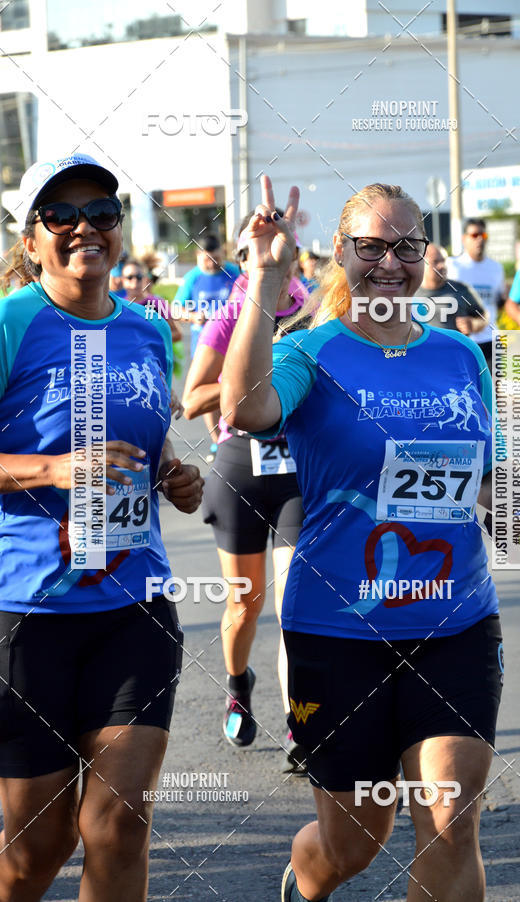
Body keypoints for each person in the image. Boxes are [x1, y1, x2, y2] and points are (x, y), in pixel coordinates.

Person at [220, 176, 520, 902]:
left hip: (456, 621)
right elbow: (244, 409)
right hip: (337, 632)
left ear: (426, 254)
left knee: (450, 814)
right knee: (353, 839)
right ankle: (306, 878)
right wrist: (267, 277)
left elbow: (494, 480)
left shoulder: (467, 355)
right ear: (341, 253)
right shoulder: (309, 351)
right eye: (371, 246)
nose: (390, 262)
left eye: (407, 245)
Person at [0, 153, 203, 901]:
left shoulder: (148, 332)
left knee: (118, 824)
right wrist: (54, 470)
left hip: (133, 607)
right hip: (28, 613)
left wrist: (174, 477)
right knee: (37, 847)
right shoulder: (11, 323)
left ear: (121, 231)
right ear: (33, 240)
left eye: (102, 213)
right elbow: (68, 458)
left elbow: (144, 447)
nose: (85, 227)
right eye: (63, 215)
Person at [182, 216, 308, 771]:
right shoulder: (231, 314)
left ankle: (300, 725)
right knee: (244, 602)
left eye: (289, 255)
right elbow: (191, 402)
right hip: (241, 465)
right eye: (261, 253)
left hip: (300, 473)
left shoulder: (314, 313)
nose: (279, 265)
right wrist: (254, 378)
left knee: (295, 605)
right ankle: (237, 683)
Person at [176, 235, 240, 461]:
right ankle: (216, 441)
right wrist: (193, 316)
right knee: (207, 394)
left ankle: (232, 434)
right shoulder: (192, 278)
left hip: (235, 347)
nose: (212, 262)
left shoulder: (235, 273)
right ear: (198, 256)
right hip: (205, 348)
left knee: (232, 390)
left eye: (216, 257)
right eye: (207, 258)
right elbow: (176, 309)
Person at [446, 217, 506, 369]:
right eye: (474, 235)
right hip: (464, 340)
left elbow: (500, 301)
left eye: (483, 235)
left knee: (497, 391)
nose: (480, 239)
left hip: (491, 340)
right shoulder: (453, 266)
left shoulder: (496, 268)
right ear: (464, 239)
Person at [121, 257, 184, 378]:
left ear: (145, 279)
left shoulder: (157, 303)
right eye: (129, 277)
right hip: (129, 369)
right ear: (123, 281)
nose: (134, 282)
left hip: (156, 369)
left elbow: (177, 334)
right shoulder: (119, 306)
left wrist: (148, 340)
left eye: (138, 277)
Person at [419, 243, 488, 334]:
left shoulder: (461, 289)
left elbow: (483, 317)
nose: (442, 266)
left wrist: (473, 324)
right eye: (435, 262)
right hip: (423, 348)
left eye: (443, 261)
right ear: (421, 264)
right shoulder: (409, 291)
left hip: (457, 348)